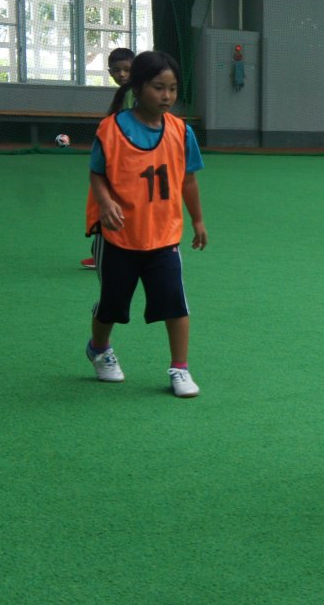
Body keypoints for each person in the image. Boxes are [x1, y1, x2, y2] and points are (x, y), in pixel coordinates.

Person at [84, 50, 208, 398]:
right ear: (137, 88)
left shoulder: (181, 132)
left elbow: (188, 181)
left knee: (175, 305)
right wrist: (106, 202)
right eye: (158, 87)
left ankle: (180, 368)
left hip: (164, 237)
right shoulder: (111, 129)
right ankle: (99, 348)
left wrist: (197, 220)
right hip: (120, 238)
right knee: (111, 306)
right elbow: (97, 174)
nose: (167, 95)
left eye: (172, 88)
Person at [81, 47, 136, 269]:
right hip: (116, 161)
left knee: (110, 203)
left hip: (124, 163)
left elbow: (129, 127)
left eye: (126, 70)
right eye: (116, 70)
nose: (121, 74)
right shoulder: (125, 93)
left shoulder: (133, 93)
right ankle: (101, 251)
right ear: (109, 72)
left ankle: (108, 253)